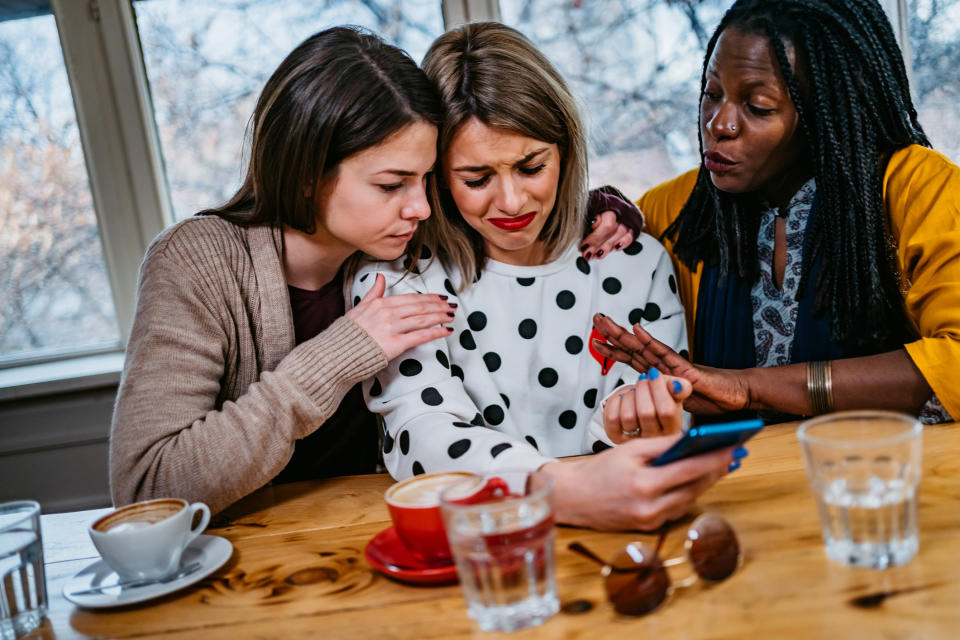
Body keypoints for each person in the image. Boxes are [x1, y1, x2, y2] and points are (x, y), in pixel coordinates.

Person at [351, 22, 741, 532]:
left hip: (612, 533)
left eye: (531, 167)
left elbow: (655, 424)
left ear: (565, 152)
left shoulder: (635, 260)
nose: (511, 202)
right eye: (477, 178)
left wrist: (639, 425)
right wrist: (561, 489)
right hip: (476, 545)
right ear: (435, 174)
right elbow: (420, 438)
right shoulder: (399, 278)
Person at [109, 27, 458, 515]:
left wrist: (600, 208)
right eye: (390, 184)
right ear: (308, 174)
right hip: (253, 561)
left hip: (389, 529)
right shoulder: (196, 262)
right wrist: (338, 356)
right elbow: (148, 489)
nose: (420, 206)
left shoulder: (410, 240)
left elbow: (522, 207)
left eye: (425, 179)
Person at [593, 0, 960, 438]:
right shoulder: (672, 210)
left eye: (758, 106)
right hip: (730, 492)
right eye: (712, 94)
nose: (719, 123)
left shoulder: (918, 188)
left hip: (879, 485)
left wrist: (749, 388)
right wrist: (593, 211)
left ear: (828, 111)